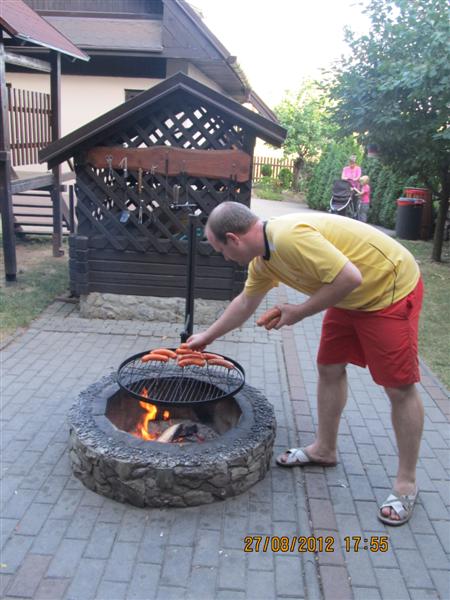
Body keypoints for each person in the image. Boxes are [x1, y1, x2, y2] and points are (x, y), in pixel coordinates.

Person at [188, 201, 424, 527]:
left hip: (388, 288)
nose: (225, 258)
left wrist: (299, 311)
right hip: (348, 294)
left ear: (233, 239)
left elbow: (350, 277)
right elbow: (245, 303)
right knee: (329, 367)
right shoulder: (263, 262)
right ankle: (324, 449)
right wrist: (207, 336)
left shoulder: (288, 237)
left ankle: (406, 483)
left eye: (221, 251)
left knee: (398, 388)